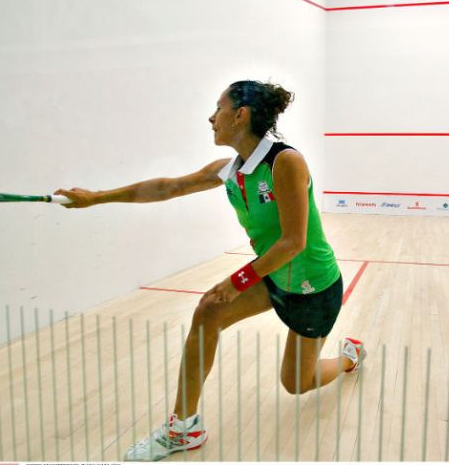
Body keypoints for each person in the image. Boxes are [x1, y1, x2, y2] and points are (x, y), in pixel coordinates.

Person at [55, 80, 366, 461]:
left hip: (314, 289)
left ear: (240, 115)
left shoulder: (285, 162)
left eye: (217, 108)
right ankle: (183, 428)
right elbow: (168, 187)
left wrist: (236, 281)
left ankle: (350, 356)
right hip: (271, 277)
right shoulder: (230, 169)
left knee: (296, 383)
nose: (210, 117)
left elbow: (293, 242)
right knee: (208, 311)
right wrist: (97, 198)